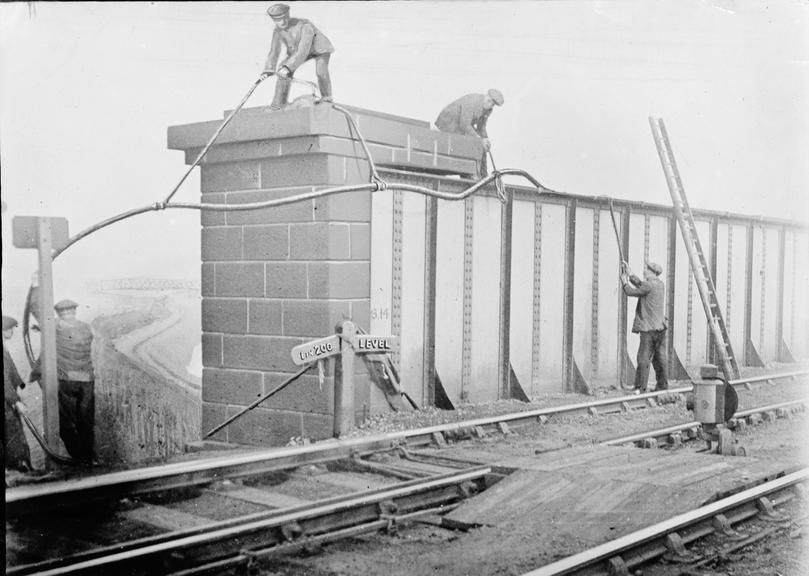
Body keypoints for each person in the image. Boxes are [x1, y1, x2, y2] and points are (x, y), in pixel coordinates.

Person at [31, 299, 96, 463]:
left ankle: (78, 456)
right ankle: (88, 456)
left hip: (67, 379)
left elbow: (40, 319)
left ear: (59, 313)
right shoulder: (86, 327)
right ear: (74, 311)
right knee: (86, 419)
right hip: (87, 379)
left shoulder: (57, 326)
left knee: (66, 420)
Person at [262, 3, 335, 110]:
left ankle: (327, 98)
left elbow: (303, 51)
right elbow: (274, 51)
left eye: (284, 18)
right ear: (274, 20)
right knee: (283, 68)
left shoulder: (305, 26)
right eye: (278, 20)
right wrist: (269, 69)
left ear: (288, 16)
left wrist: (288, 68)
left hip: (319, 49)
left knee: (321, 71)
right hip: (298, 51)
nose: (282, 22)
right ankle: (278, 104)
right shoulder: (278, 30)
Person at [621, 261, 668, 393]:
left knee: (643, 358)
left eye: (646, 270)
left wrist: (624, 281)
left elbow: (630, 291)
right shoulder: (659, 284)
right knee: (659, 359)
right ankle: (662, 386)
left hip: (649, 329)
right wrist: (630, 274)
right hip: (660, 328)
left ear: (652, 272)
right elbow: (642, 285)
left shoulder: (648, 285)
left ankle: (639, 388)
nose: (644, 272)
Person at [434, 89, 504, 176]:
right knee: (470, 143)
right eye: (489, 101)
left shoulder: (488, 109)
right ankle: (469, 173)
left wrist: (486, 139)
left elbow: (481, 126)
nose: (489, 104)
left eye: (492, 104)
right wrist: (480, 140)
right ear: (485, 96)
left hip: (461, 124)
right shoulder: (471, 102)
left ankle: (483, 176)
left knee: (481, 144)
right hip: (449, 122)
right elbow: (464, 125)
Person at [3, 315, 32, 472]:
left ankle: (20, 466)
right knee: (11, 432)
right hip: (6, 402)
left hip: (8, 400)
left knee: (14, 431)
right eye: (9, 328)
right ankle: (16, 468)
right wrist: (15, 401)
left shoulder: (4, 348)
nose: (12, 331)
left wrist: (21, 385)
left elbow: (12, 373)